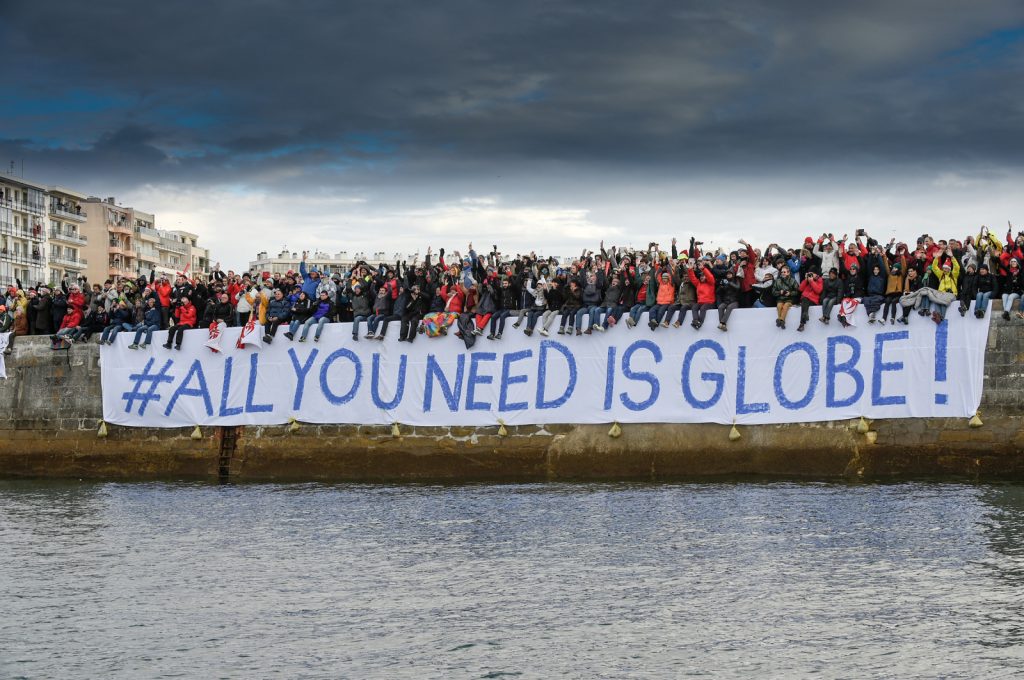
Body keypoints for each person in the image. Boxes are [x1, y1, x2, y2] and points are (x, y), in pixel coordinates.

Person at [772, 264, 799, 329]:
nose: (783, 273)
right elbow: (773, 292)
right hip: (780, 299)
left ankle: (780, 320)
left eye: (784, 272)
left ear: (788, 273)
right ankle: (782, 321)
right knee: (779, 306)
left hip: (789, 299)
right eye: (782, 272)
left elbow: (797, 291)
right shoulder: (777, 281)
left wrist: (790, 293)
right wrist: (779, 292)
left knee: (785, 306)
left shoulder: (793, 280)